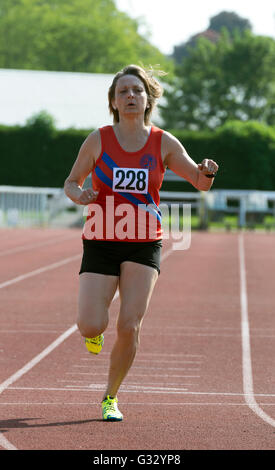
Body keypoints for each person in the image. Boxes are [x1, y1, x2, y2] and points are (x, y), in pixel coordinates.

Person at [64, 64, 219, 421]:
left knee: (130, 324)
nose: (130, 96)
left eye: (137, 90)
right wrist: (81, 194)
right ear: (114, 102)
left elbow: (199, 181)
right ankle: (94, 332)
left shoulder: (162, 142)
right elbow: (71, 182)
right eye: (123, 92)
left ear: (147, 98)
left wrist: (208, 171)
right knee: (91, 323)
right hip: (101, 239)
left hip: (143, 241)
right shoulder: (98, 139)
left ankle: (110, 398)